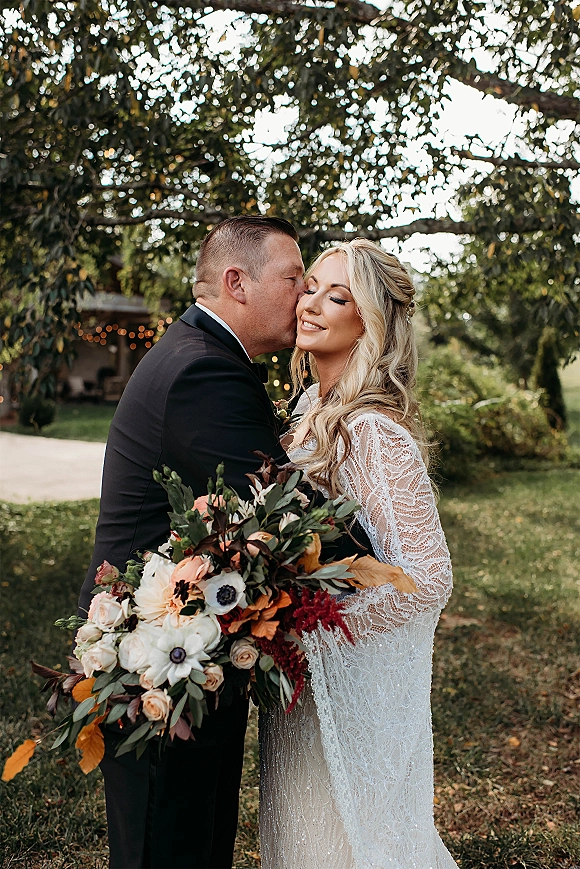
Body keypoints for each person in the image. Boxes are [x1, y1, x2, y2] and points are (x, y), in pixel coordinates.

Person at [78, 215, 307, 869]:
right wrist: (373, 545)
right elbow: (283, 513)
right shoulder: (205, 371)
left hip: (188, 651)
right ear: (237, 281)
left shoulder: (203, 353)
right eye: (293, 277)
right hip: (158, 667)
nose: (304, 294)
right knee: (169, 847)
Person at [259, 239, 458, 869]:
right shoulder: (308, 408)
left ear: (369, 321)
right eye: (310, 287)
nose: (311, 305)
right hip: (300, 679)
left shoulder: (372, 431)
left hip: (350, 680)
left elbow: (428, 579)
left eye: (337, 296)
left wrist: (316, 630)